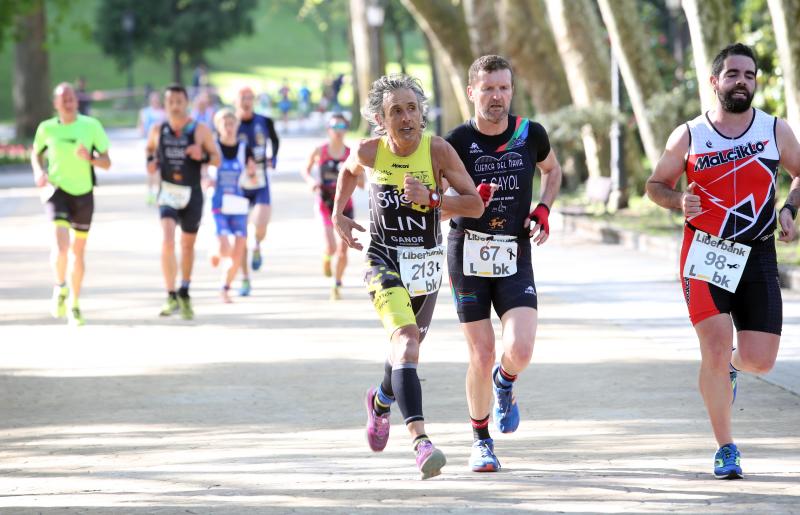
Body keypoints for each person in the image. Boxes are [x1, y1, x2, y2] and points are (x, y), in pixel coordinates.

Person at [646, 43, 800, 480]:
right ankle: (726, 447)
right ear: (715, 82)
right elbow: (655, 184)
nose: (742, 82)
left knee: (760, 360)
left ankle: (734, 366)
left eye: (749, 75)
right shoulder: (691, 134)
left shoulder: (774, 130)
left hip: (757, 253)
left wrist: (789, 208)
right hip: (704, 253)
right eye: (733, 74)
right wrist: (679, 201)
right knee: (713, 348)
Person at [333, 74, 484, 479]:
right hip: (382, 259)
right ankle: (421, 442)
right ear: (381, 120)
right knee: (405, 341)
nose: (406, 117)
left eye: (412, 109)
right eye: (395, 111)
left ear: (422, 113)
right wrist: (339, 216)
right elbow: (347, 172)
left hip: (426, 265)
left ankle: (381, 400)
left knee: (408, 348)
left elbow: (474, 206)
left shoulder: (438, 151)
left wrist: (433, 198)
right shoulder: (370, 150)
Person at [444, 55, 563, 472]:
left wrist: (544, 208)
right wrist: (468, 200)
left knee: (520, 349)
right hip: (468, 252)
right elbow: (434, 205)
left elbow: (553, 170)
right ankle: (480, 440)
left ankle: (505, 382)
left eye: (504, 88)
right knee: (481, 353)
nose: (497, 97)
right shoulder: (454, 142)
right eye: (489, 88)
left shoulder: (530, 134)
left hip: (514, 250)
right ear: (471, 92)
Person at [31, 82, 111, 326]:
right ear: (55, 103)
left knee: (78, 252)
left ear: (77, 101)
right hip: (57, 191)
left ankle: (74, 303)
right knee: (61, 244)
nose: (67, 102)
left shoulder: (91, 126)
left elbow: (107, 162)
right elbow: (35, 153)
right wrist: (38, 171)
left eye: (71, 98)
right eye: (62, 98)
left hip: (84, 194)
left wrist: (91, 159)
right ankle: (60, 286)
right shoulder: (46, 129)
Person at [146, 84, 220, 320]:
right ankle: (170, 294)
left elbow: (217, 158)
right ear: (166, 105)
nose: (175, 106)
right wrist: (151, 162)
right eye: (171, 102)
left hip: (192, 194)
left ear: (186, 103)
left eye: (179, 101)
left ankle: (184, 291)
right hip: (168, 192)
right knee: (168, 241)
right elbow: (149, 150)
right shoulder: (158, 129)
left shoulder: (199, 130)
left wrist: (203, 156)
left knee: (187, 246)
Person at [301, 113, 362, 300]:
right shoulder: (320, 151)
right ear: (328, 129)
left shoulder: (351, 154)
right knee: (331, 246)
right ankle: (327, 257)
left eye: (342, 127)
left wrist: (358, 178)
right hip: (324, 202)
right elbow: (305, 169)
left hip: (345, 204)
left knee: (344, 249)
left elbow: (361, 180)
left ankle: (337, 283)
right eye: (334, 127)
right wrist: (311, 181)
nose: (338, 131)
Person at [207, 108, 257, 303]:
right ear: (218, 127)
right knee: (225, 248)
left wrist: (252, 173)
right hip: (218, 203)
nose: (229, 128)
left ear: (237, 125)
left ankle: (225, 288)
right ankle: (216, 250)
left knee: (238, 250)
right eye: (224, 124)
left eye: (232, 124)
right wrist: (206, 179)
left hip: (237, 203)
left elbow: (253, 177)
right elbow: (203, 169)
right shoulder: (213, 147)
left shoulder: (245, 149)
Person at [234, 86, 280, 296]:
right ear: (236, 101)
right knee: (241, 234)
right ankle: (244, 279)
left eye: (249, 98)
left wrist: (273, 158)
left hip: (260, 180)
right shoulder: (230, 123)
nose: (246, 102)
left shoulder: (264, 121)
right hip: (238, 183)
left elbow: (275, 139)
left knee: (260, 225)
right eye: (242, 98)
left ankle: (258, 246)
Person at [138, 91, 167, 205]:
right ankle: (150, 193)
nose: (155, 101)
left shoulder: (163, 113)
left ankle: (158, 192)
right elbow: (141, 127)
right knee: (150, 168)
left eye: (156, 99)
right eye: (153, 99)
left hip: (161, 144)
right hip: (149, 144)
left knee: (159, 170)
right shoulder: (145, 112)